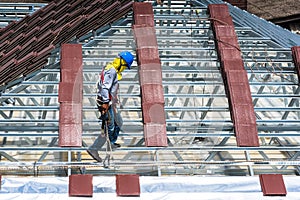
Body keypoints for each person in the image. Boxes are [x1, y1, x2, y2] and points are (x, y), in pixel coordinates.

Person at [87, 51, 134, 162]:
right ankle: (94, 148)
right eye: (125, 66)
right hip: (105, 103)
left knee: (119, 122)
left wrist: (115, 100)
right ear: (122, 62)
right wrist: (106, 103)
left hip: (110, 102)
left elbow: (111, 88)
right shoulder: (111, 71)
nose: (124, 69)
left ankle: (111, 142)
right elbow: (105, 88)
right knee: (110, 127)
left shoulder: (111, 69)